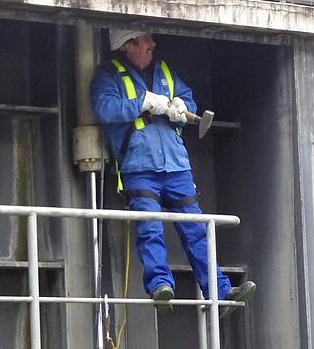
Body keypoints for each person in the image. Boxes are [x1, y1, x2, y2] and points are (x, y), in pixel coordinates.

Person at [90, 29, 256, 318]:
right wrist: (141, 103)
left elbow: (187, 98)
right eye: (145, 39)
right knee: (150, 227)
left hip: (176, 166)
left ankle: (220, 290)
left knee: (197, 231)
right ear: (129, 45)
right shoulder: (109, 75)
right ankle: (160, 287)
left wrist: (183, 106)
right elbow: (105, 109)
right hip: (139, 166)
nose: (152, 43)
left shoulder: (164, 70)